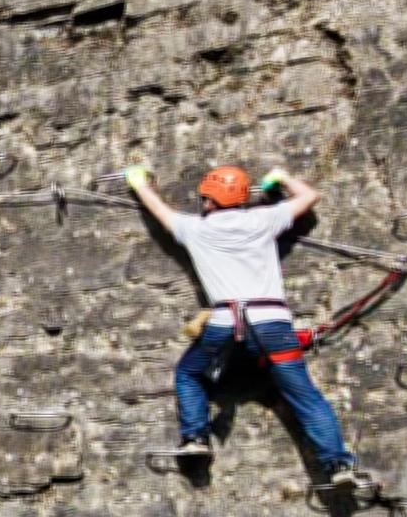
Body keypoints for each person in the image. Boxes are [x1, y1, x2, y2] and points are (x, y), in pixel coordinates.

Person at [124, 163, 363, 488]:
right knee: (306, 397)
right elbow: (310, 196)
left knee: (189, 373)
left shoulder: (194, 229)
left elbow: (160, 212)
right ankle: (337, 466)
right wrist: (281, 178)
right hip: (273, 325)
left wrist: (139, 185)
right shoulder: (263, 220)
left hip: (226, 323)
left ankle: (195, 437)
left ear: (208, 200)